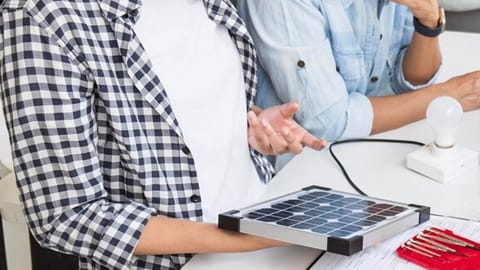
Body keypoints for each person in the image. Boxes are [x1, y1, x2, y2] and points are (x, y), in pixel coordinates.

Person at [0, 0, 327, 269]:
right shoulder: (41, 14)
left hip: (269, 236)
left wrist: (251, 123)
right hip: (201, 258)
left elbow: (183, 106)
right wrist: (246, 238)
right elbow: (66, 215)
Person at [238, 0, 480, 170]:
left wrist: (428, 20)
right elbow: (330, 121)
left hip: (367, 155)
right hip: (297, 177)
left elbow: (403, 86)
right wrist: (449, 95)